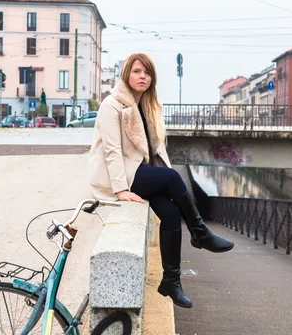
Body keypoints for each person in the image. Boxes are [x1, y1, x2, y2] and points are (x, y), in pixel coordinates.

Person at [88, 53, 234, 308]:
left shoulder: (148, 106)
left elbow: (155, 150)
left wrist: (162, 181)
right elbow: (111, 151)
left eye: (147, 72)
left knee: (169, 214)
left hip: (139, 172)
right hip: (119, 176)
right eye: (136, 71)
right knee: (173, 177)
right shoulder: (112, 105)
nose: (142, 76)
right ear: (126, 75)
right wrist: (120, 190)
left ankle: (171, 281)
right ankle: (200, 233)